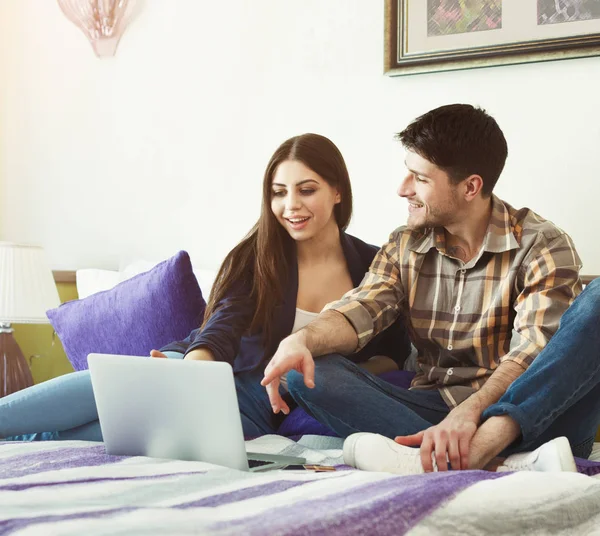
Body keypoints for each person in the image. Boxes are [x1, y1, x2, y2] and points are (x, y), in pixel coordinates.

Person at [0, 133, 409, 442]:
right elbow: (223, 326)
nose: (291, 206)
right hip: (217, 375)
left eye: (307, 190)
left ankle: (25, 438)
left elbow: (392, 356)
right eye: (278, 193)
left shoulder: (376, 266)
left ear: (338, 191)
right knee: (120, 387)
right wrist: (192, 375)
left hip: (257, 413)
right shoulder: (258, 255)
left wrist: (325, 376)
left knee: (67, 437)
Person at [261, 104, 600, 474]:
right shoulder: (406, 244)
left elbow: (533, 353)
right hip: (433, 410)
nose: (402, 189)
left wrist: (472, 413)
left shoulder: (542, 245)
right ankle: (500, 465)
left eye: (419, 178)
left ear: (470, 187)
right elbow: (361, 309)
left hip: (536, 416)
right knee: (305, 372)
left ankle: (478, 452)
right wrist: (301, 342)